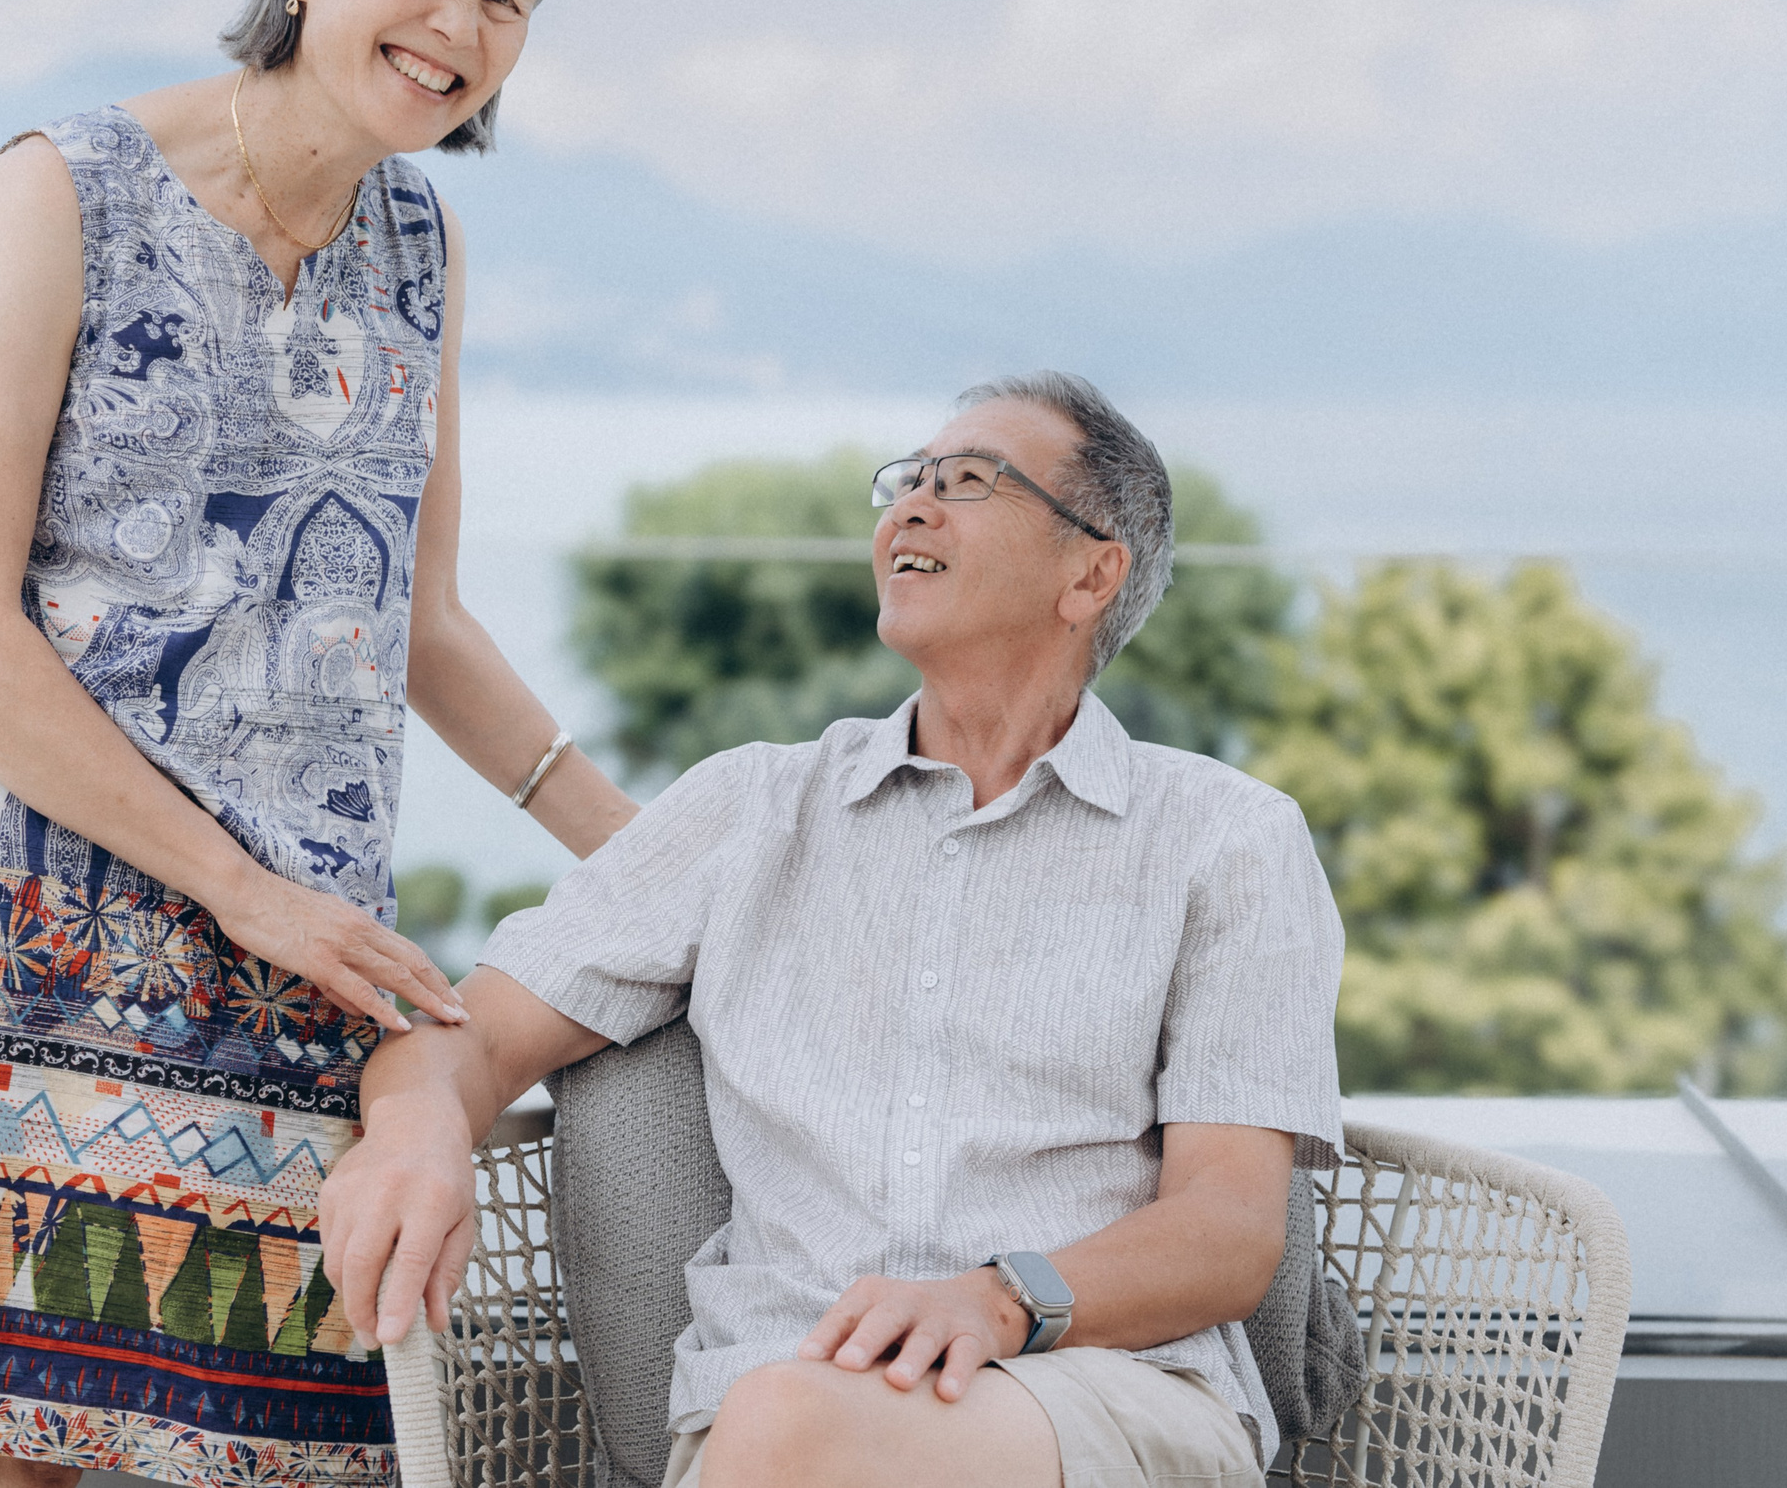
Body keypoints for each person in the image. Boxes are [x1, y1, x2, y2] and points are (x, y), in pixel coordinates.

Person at [0, 0, 632, 1487]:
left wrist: (657, 852)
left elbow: (416, 620)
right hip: (33, 913)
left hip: (302, 937)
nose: (459, 28)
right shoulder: (59, 190)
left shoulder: (422, 243)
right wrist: (240, 888)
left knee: (282, 1440)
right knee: (14, 1447)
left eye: (507, 3)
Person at [322, 371, 1347, 1488]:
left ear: (1091, 573)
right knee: (790, 1417)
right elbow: (467, 1033)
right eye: (908, 480)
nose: (912, 505)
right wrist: (417, 1130)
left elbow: (1227, 1229)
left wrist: (1003, 1299)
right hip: (776, 1402)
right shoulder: (746, 808)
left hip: (1100, 1392)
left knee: (792, 1424)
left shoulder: (1227, 838)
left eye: (969, 481)